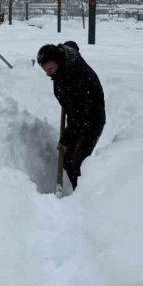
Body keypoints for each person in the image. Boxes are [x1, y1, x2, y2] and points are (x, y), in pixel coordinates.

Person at [37, 41, 105, 190]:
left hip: (92, 120)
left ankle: (87, 195)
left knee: (78, 163)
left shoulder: (76, 77)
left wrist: (66, 139)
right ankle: (77, 190)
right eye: (45, 70)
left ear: (58, 62)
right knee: (67, 160)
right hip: (77, 118)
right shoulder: (63, 64)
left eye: (50, 69)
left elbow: (82, 116)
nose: (47, 74)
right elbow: (71, 45)